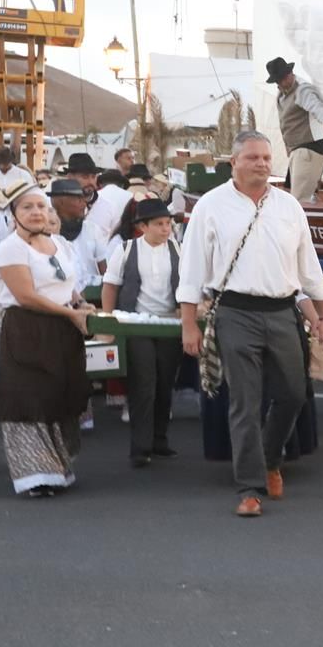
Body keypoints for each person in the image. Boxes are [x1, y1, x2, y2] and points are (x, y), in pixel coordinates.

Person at [177, 130, 323, 518]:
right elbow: (192, 269)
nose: (262, 164)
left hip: (284, 312)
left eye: (266, 158)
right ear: (234, 162)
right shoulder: (211, 206)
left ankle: (269, 459)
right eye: (253, 158)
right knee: (244, 402)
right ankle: (249, 488)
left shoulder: (289, 206)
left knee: (295, 394)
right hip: (234, 311)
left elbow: (308, 268)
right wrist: (189, 325)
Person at [0, 183, 94, 495]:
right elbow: (26, 296)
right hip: (24, 327)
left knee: (56, 394)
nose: (36, 212)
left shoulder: (57, 244)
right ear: (14, 214)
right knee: (28, 397)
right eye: (27, 207)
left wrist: (78, 302)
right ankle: (35, 475)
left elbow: (65, 281)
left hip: (60, 326)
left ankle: (56, 468)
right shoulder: (11, 248)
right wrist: (69, 314)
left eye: (41, 207)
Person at [100, 199, 182, 467]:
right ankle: (140, 447)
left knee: (165, 384)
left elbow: (190, 285)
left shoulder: (178, 249)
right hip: (136, 323)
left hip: (170, 324)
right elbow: (110, 286)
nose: (165, 229)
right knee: (143, 383)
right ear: (142, 226)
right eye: (159, 224)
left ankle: (160, 440)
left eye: (168, 224)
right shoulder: (126, 249)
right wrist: (109, 321)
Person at [267, 56, 323, 201]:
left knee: (298, 199)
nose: (282, 82)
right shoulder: (282, 94)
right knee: (290, 195)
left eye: (284, 78)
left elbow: (315, 106)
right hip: (297, 151)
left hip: (309, 149)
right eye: (279, 80)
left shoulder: (302, 90)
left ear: (290, 73)